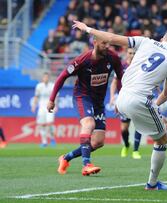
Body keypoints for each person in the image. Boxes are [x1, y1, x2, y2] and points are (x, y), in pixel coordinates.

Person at [72, 20, 167, 190]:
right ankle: (152, 184)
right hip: (139, 99)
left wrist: (87, 29)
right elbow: (166, 94)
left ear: (162, 39)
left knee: (162, 125)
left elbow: (110, 37)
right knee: (161, 141)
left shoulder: (145, 41)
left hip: (122, 96)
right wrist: (153, 104)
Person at [47, 36, 124, 176]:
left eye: (108, 43)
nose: (107, 46)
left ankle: (65, 158)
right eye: (104, 43)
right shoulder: (82, 60)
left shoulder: (113, 57)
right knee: (89, 123)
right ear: (95, 43)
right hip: (82, 97)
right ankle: (86, 164)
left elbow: (120, 77)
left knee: (98, 142)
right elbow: (62, 76)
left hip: (99, 101)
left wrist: (121, 99)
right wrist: (52, 99)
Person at [110, 48, 142, 159]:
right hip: (124, 99)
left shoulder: (140, 66)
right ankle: (126, 145)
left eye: (134, 53)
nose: (132, 55)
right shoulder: (121, 66)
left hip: (137, 98)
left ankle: (136, 151)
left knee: (139, 125)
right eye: (130, 53)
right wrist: (112, 97)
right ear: (126, 54)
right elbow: (114, 82)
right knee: (124, 128)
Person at [31, 72, 56, 147]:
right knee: (41, 125)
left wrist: (56, 105)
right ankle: (44, 141)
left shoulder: (52, 86)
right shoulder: (39, 86)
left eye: (47, 77)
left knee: (49, 124)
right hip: (41, 107)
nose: (46, 79)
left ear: (49, 78)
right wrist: (34, 106)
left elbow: (56, 97)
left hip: (50, 107)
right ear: (42, 78)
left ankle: (52, 138)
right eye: (44, 77)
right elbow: (36, 96)